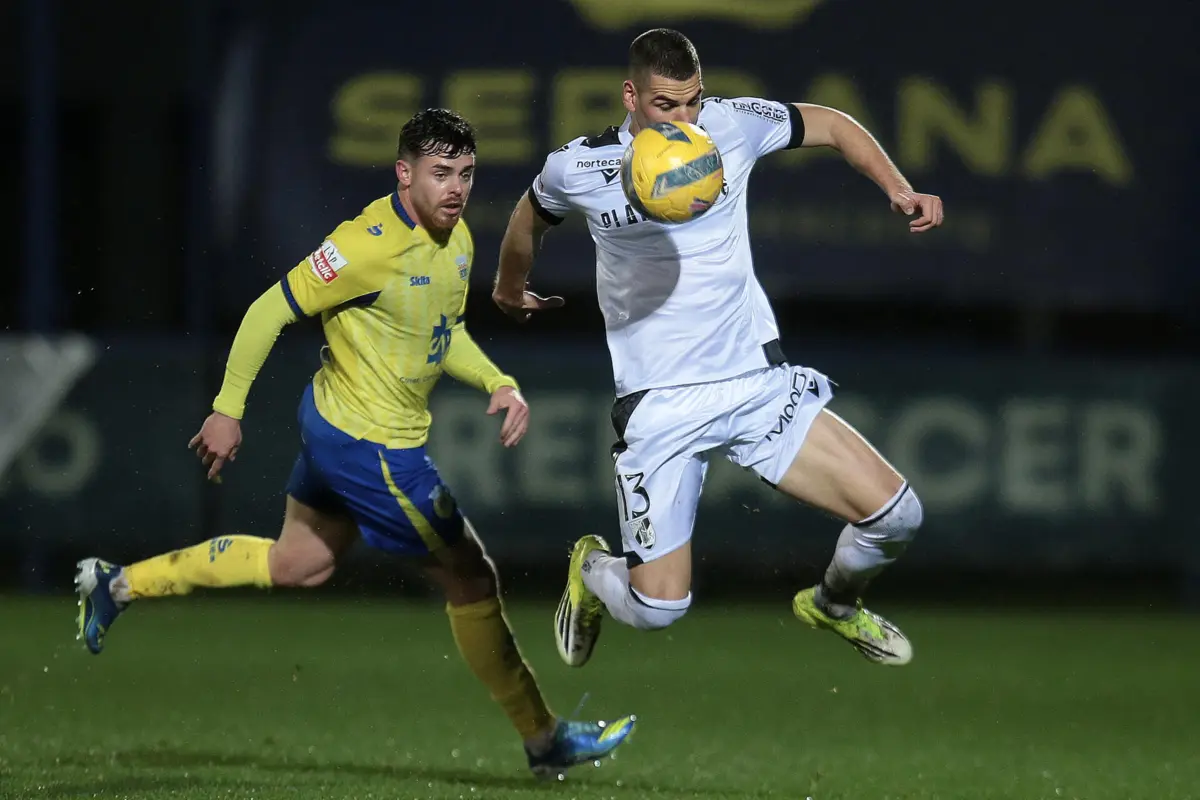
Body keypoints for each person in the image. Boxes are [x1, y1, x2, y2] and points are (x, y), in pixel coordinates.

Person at [75, 108, 635, 778]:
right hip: (370, 448)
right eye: (438, 173)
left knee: (297, 565)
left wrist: (497, 379)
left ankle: (118, 585)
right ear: (404, 174)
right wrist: (227, 410)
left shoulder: (455, 240)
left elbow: (441, 331)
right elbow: (267, 309)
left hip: (335, 425)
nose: (454, 187)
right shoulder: (366, 245)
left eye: (464, 173)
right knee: (470, 575)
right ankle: (545, 741)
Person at [493, 29, 944, 670]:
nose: (683, 120)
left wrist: (899, 189)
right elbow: (530, 215)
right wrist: (511, 287)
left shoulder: (730, 127)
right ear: (631, 96)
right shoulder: (581, 166)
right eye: (665, 105)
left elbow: (835, 124)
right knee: (657, 610)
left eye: (692, 103)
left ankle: (834, 605)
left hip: (753, 384)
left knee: (897, 517)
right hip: (661, 406)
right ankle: (591, 569)